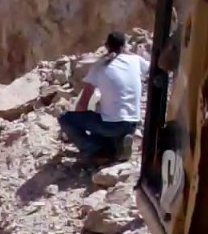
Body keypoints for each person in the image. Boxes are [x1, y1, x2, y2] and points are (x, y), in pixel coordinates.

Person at [58, 31, 150, 165]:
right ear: (124, 45)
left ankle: (97, 152)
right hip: (133, 123)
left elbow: (84, 102)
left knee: (66, 118)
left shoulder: (100, 66)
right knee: (102, 124)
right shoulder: (135, 60)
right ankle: (119, 144)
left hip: (112, 125)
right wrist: (128, 53)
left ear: (106, 46)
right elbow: (151, 69)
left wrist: (72, 129)